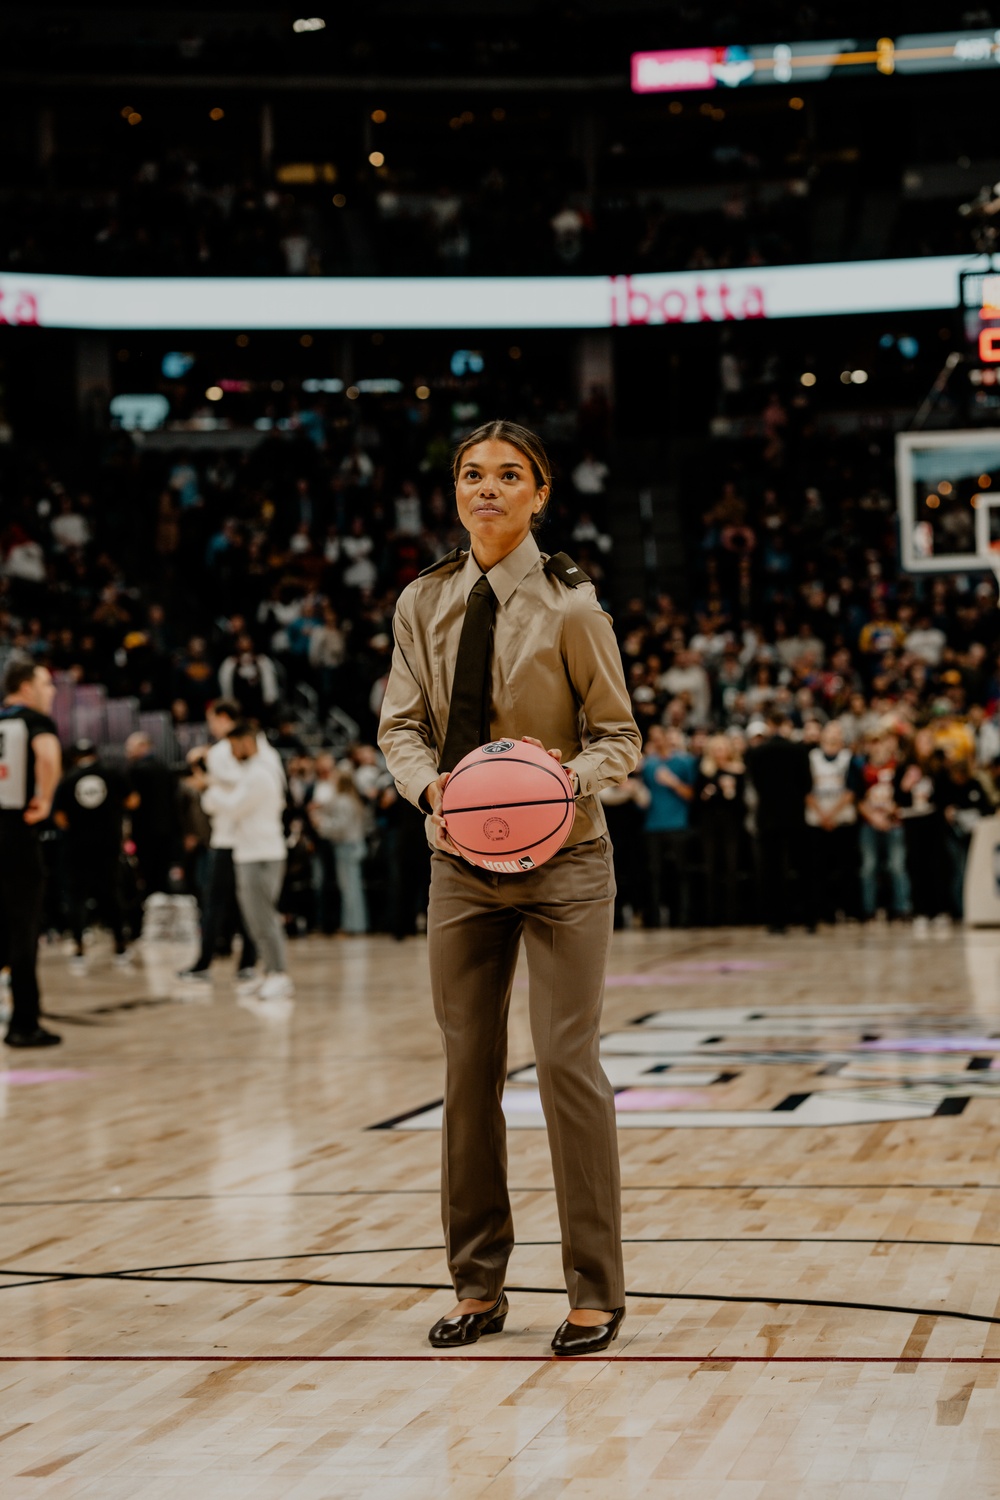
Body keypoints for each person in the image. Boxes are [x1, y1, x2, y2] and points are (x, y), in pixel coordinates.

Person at [378, 419, 641, 1356]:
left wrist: (564, 781)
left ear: (541, 493)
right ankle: (477, 1286)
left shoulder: (574, 609)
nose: (486, 488)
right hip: (460, 862)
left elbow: (621, 735)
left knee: (568, 1065)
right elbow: (398, 727)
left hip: (566, 859)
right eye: (471, 474)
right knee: (465, 1074)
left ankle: (594, 1292)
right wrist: (430, 787)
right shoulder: (422, 604)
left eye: (508, 475)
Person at [177, 699, 282, 985]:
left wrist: (207, 782)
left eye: (212, 720)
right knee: (246, 905)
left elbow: (235, 794)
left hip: (236, 837)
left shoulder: (232, 751)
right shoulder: (263, 752)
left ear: (223, 718)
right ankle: (247, 963)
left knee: (228, 903)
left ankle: (219, 963)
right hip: (242, 837)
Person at [196, 721, 291, 1001]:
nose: (232, 753)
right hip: (248, 853)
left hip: (263, 854)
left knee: (265, 918)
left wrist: (209, 790)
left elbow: (234, 807)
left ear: (247, 743)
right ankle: (269, 970)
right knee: (253, 920)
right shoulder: (250, 772)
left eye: (234, 746)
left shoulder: (261, 773)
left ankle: (280, 974)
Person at [0, 659, 62, 1046]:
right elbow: (49, 756)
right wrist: (45, 798)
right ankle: (24, 1023)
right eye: (45, 683)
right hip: (16, 836)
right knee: (23, 929)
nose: (51, 691)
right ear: (25, 686)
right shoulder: (34, 722)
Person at [53, 739, 132, 973]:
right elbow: (132, 800)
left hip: (77, 848)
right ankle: (120, 946)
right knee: (111, 894)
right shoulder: (110, 773)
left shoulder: (67, 779)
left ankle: (78, 948)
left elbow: (59, 817)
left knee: (76, 898)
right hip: (107, 846)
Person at [744, 710, 812, 933]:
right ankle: (807, 918)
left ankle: (776, 921)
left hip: (768, 817)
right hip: (794, 816)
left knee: (772, 871)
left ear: (768, 725)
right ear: (785, 725)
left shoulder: (757, 753)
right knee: (801, 867)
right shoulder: (798, 750)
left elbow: (756, 784)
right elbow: (807, 785)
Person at [804, 720, 860, 925]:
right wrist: (823, 815)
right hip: (817, 820)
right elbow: (805, 789)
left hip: (842, 820)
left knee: (846, 868)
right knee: (818, 870)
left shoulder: (848, 758)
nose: (833, 736)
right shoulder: (812, 758)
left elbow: (852, 791)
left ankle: (849, 910)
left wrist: (832, 814)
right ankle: (822, 911)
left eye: (837, 732)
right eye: (829, 732)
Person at [641, 725, 696, 928]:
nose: (656, 741)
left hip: (678, 824)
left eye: (659, 737)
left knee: (681, 873)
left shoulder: (683, 761)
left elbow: (691, 794)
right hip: (653, 826)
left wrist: (673, 782)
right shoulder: (648, 764)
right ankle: (654, 920)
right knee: (654, 874)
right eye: (652, 738)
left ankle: (683, 918)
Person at [125, 732, 178, 906]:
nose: (127, 752)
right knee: (162, 875)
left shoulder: (136, 770)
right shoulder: (165, 768)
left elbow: (132, 803)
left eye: (130, 748)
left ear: (143, 746)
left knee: (147, 876)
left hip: (144, 830)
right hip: (168, 828)